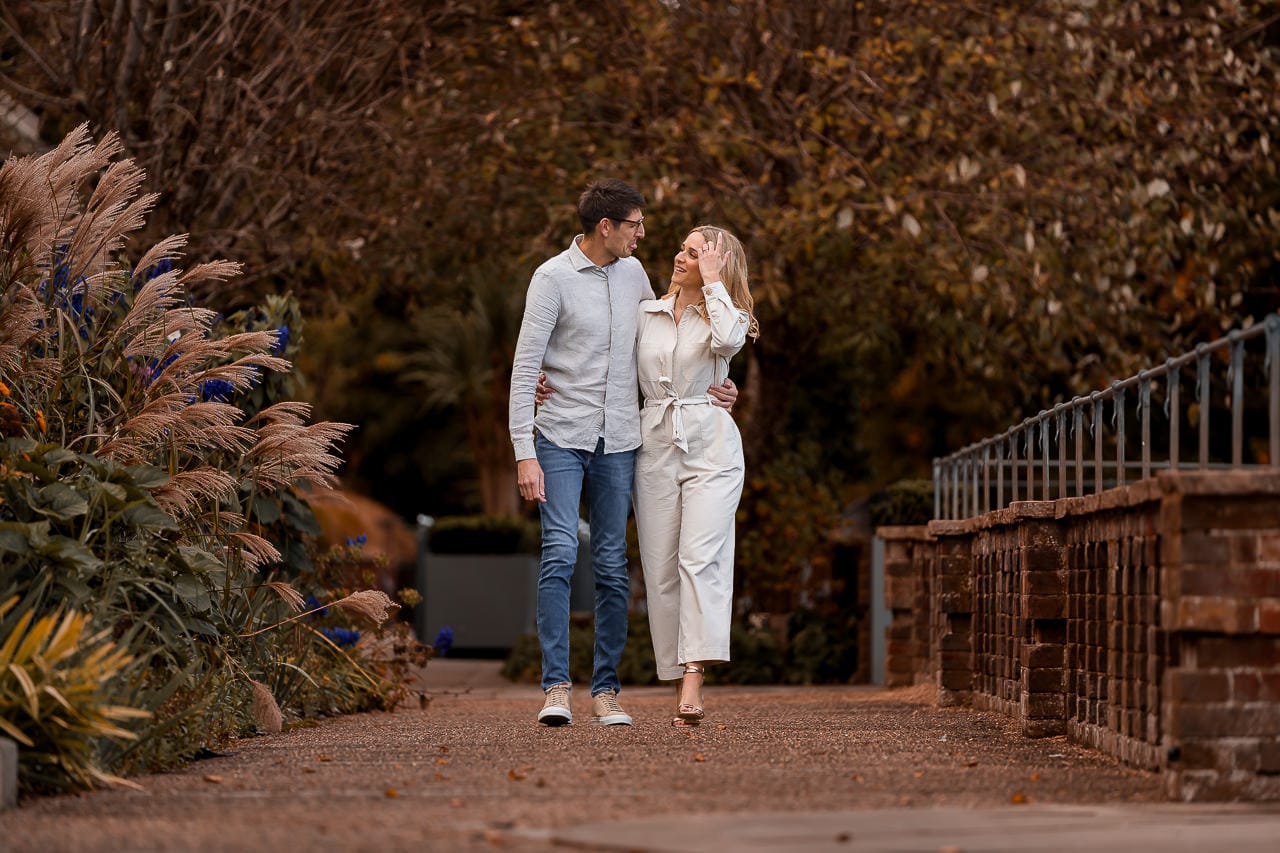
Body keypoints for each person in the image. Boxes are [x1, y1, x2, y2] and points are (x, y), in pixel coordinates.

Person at [509, 180, 737, 727]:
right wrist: (524, 450)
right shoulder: (551, 279)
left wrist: (722, 385)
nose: (643, 233)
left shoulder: (635, 275)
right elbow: (524, 365)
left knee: (613, 566)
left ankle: (606, 692)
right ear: (605, 227)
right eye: (635, 223)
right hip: (560, 435)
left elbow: (671, 340)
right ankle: (557, 688)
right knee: (561, 551)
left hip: (622, 441)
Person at [632, 225, 758, 726]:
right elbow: (611, 367)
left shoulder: (730, 315)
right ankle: (674, 665)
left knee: (699, 558)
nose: (680, 257)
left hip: (711, 448)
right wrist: (546, 381)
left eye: (695, 253)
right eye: (683, 250)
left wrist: (712, 283)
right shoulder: (648, 314)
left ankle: (693, 679)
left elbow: (728, 339)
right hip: (654, 445)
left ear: (718, 264)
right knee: (661, 567)